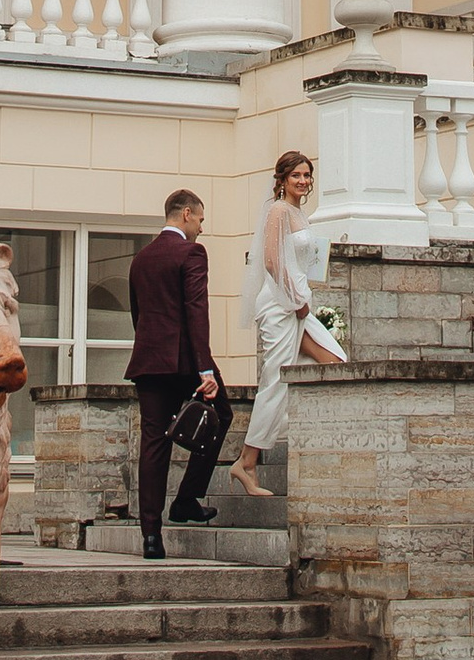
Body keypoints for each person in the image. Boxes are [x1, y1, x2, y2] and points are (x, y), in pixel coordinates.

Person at [231, 149, 345, 498]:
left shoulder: (298, 212)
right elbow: (270, 260)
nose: (303, 181)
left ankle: (307, 438)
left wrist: (305, 295)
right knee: (276, 379)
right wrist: (295, 302)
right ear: (282, 179)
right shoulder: (279, 210)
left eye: (307, 175)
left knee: (335, 362)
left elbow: (302, 261)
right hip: (281, 304)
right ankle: (246, 463)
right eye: (296, 175)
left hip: (299, 304)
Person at [126, 188, 227, 558]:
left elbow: (137, 315)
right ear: (186, 214)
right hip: (185, 361)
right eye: (200, 219)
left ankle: (151, 536)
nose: (201, 228)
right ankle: (186, 499)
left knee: (154, 445)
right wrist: (205, 368)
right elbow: (196, 311)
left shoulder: (141, 257)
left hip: (148, 362)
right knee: (222, 415)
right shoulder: (192, 252)